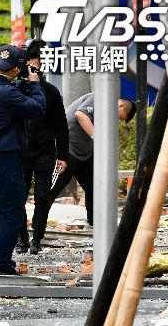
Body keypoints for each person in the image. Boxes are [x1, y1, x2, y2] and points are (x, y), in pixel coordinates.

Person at [29, 92, 136, 248]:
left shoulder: (107, 113)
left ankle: (94, 227)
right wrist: (97, 137)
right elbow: (80, 115)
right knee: (50, 191)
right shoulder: (99, 97)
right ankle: (36, 236)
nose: (117, 120)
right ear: (121, 106)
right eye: (120, 117)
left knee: (95, 188)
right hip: (67, 151)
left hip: (84, 154)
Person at [16, 40, 68, 255]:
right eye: (30, 67)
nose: (33, 72)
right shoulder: (15, 90)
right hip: (20, 151)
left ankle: (37, 239)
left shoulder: (51, 92)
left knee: (42, 197)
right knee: (18, 196)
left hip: (45, 151)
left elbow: (61, 125)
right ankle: (21, 239)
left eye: (36, 67)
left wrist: (63, 156)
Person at [0, 44, 46, 276]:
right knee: (11, 211)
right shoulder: (8, 94)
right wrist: (35, 84)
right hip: (5, 159)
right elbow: (37, 109)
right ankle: (2, 264)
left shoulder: (7, 90)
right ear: (17, 69)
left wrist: (23, 85)